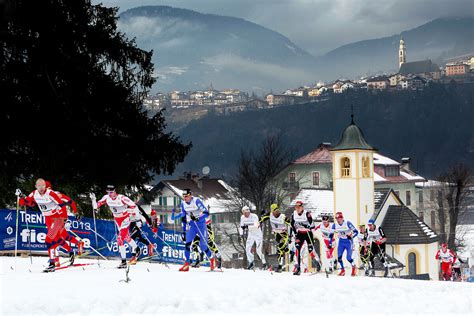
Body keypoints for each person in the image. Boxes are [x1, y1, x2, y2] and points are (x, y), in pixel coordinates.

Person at [18, 178, 72, 272]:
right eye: (39, 186)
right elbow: (27, 203)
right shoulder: (34, 193)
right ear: (36, 187)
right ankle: (70, 251)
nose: (42, 188)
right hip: (47, 219)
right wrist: (20, 197)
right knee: (56, 238)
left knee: (48, 239)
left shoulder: (51, 194)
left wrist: (65, 220)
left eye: (43, 186)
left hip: (56, 218)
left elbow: (62, 205)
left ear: (45, 186)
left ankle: (52, 263)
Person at [90, 185, 141, 268]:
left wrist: (137, 220)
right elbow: (95, 207)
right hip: (117, 220)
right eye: (108, 192)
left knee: (120, 239)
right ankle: (136, 248)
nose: (109, 194)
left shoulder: (122, 198)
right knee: (126, 238)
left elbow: (134, 206)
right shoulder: (106, 198)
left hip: (125, 219)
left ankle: (123, 262)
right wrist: (93, 199)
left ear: (115, 191)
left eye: (111, 192)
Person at [47, 180, 84, 267]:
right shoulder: (43, 195)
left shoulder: (56, 195)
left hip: (59, 219)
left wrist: (76, 213)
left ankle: (56, 260)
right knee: (63, 237)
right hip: (53, 219)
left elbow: (72, 202)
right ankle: (74, 248)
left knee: (55, 239)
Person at [177, 189, 215, 272]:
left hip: (201, 225)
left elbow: (206, 213)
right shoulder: (183, 204)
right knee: (187, 243)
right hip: (192, 226)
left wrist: (198, 217)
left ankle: (212, 260)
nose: (185, 198)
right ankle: (186, 264)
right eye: (183, 196)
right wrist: (183, 231)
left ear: (190, 195)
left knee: (203, 246)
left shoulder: (196, 201)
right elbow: (183, 218)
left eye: (186, 196)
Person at [290, 201, 320, 275]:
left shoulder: (307, 214)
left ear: (302, 207)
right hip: (300, 233)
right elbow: (292, 225)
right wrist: (294, 233)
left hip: (307, 233)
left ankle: (317, 262)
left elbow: (312, 225)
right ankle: (298, 269)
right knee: (298, 249)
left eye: (299, 207)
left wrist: (308, 226)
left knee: (310, 250)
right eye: (296, 207)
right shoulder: (294, 214)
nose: (297, 209)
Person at [260, 203, 291, 273]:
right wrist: (259, 221)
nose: (275, 212)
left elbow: (291, 224)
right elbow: (262, 218)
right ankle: (290, 252)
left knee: (280, 249)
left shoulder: (282, 216)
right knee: (280, 249)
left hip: (284, 235)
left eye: (276, 211)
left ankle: (279, 266)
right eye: (274, 211)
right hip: (277, 235)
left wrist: (291, 235)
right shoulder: (270, 214)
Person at [328, 211, 358, 276]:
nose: (337, 220)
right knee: (339, 257)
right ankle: (342, 270)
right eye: (336, 218)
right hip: (341, 242)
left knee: (348, 258)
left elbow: (356, 232)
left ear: (342, 218)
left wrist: (351, 236)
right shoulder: (335, 225)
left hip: (349, 242)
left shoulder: (347, 223)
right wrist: (330, 243)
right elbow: (331, 235)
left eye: (338, 218)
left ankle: (354, 268)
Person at [240, 206, 266, 270]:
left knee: (258, 250)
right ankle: (251, 263)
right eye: (244, 213)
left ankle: (264, 263)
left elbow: (256, 226)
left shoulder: (254, 216)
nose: (245, 214)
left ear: (249, 212)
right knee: (247, 249)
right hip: (251, 234)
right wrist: (241, 234)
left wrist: (247, 227)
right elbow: (241, 226)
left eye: (246, 213)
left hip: (258, 234)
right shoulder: (242, 217)